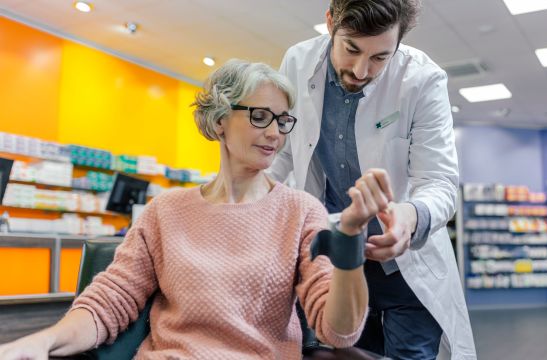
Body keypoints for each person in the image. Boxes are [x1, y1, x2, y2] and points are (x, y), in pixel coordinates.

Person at [0, 59, 396, 359]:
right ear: (220, 121)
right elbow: (108, 302)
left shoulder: (299, 212)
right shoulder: (166, 212)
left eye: (282, 120)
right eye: (260, 116)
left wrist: (348, 249)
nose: (275, 133)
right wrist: (44, 339)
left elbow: (338, 332)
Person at [268, 0, 476, 359]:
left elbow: (440, 181)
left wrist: (408, 218)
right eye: (351, 49)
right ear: (331, 21)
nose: (362, 70)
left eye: (380, 57)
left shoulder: (423, 80)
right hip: (337, 264)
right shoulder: (297, 63)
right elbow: (282, 155)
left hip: (406, 266)